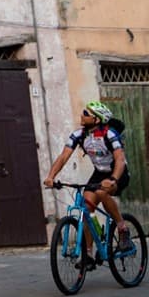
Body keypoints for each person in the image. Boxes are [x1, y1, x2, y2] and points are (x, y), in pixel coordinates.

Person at [43, 101, 132, 269]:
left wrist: (113, 179)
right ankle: (88, 253)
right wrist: (51, 176)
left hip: (118, 172)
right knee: (86, 205)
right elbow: (63, 157)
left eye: (86, 113)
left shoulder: (110, 134)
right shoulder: (79, 135)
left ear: (97, 119)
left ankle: (122, 228)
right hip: (99, 173)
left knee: (102, 192)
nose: (82, 115)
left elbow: (120, 159)